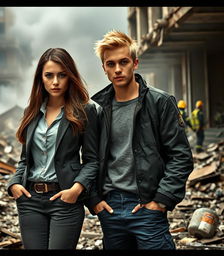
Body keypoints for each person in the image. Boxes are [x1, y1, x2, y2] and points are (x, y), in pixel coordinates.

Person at [87, 30, 194, 250]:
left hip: (147, 206)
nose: (117, 69)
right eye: (111, 64)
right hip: (111, 208)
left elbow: (180, 156)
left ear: (135, 63)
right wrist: (95, 201)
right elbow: (89, 158)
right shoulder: (97, 109)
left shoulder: (160, 102)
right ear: (104, 68)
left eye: (123, 62)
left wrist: (161, 200)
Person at [7, 48, 98, 249]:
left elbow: (92, 160)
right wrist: (14, 184)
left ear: (70, 76)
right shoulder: (31, 112)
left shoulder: (85, 111)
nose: (55, 82)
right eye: (49, 75)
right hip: (30, 200)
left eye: (62, 75)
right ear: (41, 78)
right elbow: (25, 160)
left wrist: (76, 189)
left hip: (65, 200)